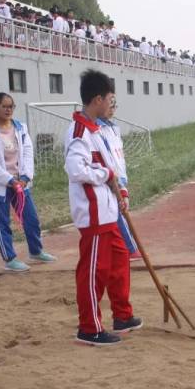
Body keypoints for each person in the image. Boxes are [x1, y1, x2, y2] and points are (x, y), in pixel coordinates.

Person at [65, 70, 142, 346]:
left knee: (120, 260)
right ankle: (89, 327)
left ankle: (122, 314)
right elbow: (76, 170)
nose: (112, 103)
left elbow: (111, 166)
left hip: (109, 210)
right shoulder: (79, 132)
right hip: (93, 213)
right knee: (94, 270)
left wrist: (119, 189)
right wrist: (105, 175)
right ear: (97, 99)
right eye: (110, 98)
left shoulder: (99, 130)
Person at [0, 93, 57, 272]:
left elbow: (27, 153)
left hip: (20, 184)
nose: (9, 109)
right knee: (2, 223)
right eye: (4, 106)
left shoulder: (20, 128)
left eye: (11, 106)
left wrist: (26, 177)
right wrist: (9, 180)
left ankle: (36, 251)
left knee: (31, 218)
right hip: (0, 185)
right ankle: (10, 259)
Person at [96, 96, 142, 261]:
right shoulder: (97, 130)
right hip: (109, 179)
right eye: (110, 104)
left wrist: (123, 182)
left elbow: (119, 158)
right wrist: (117, 182)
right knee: (118, 212)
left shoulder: (114, 128)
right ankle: (130, 249)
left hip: (119, 177)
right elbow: (108, 160)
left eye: (115, 105)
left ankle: (120, 248)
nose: (112, 108)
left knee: (119, 211)